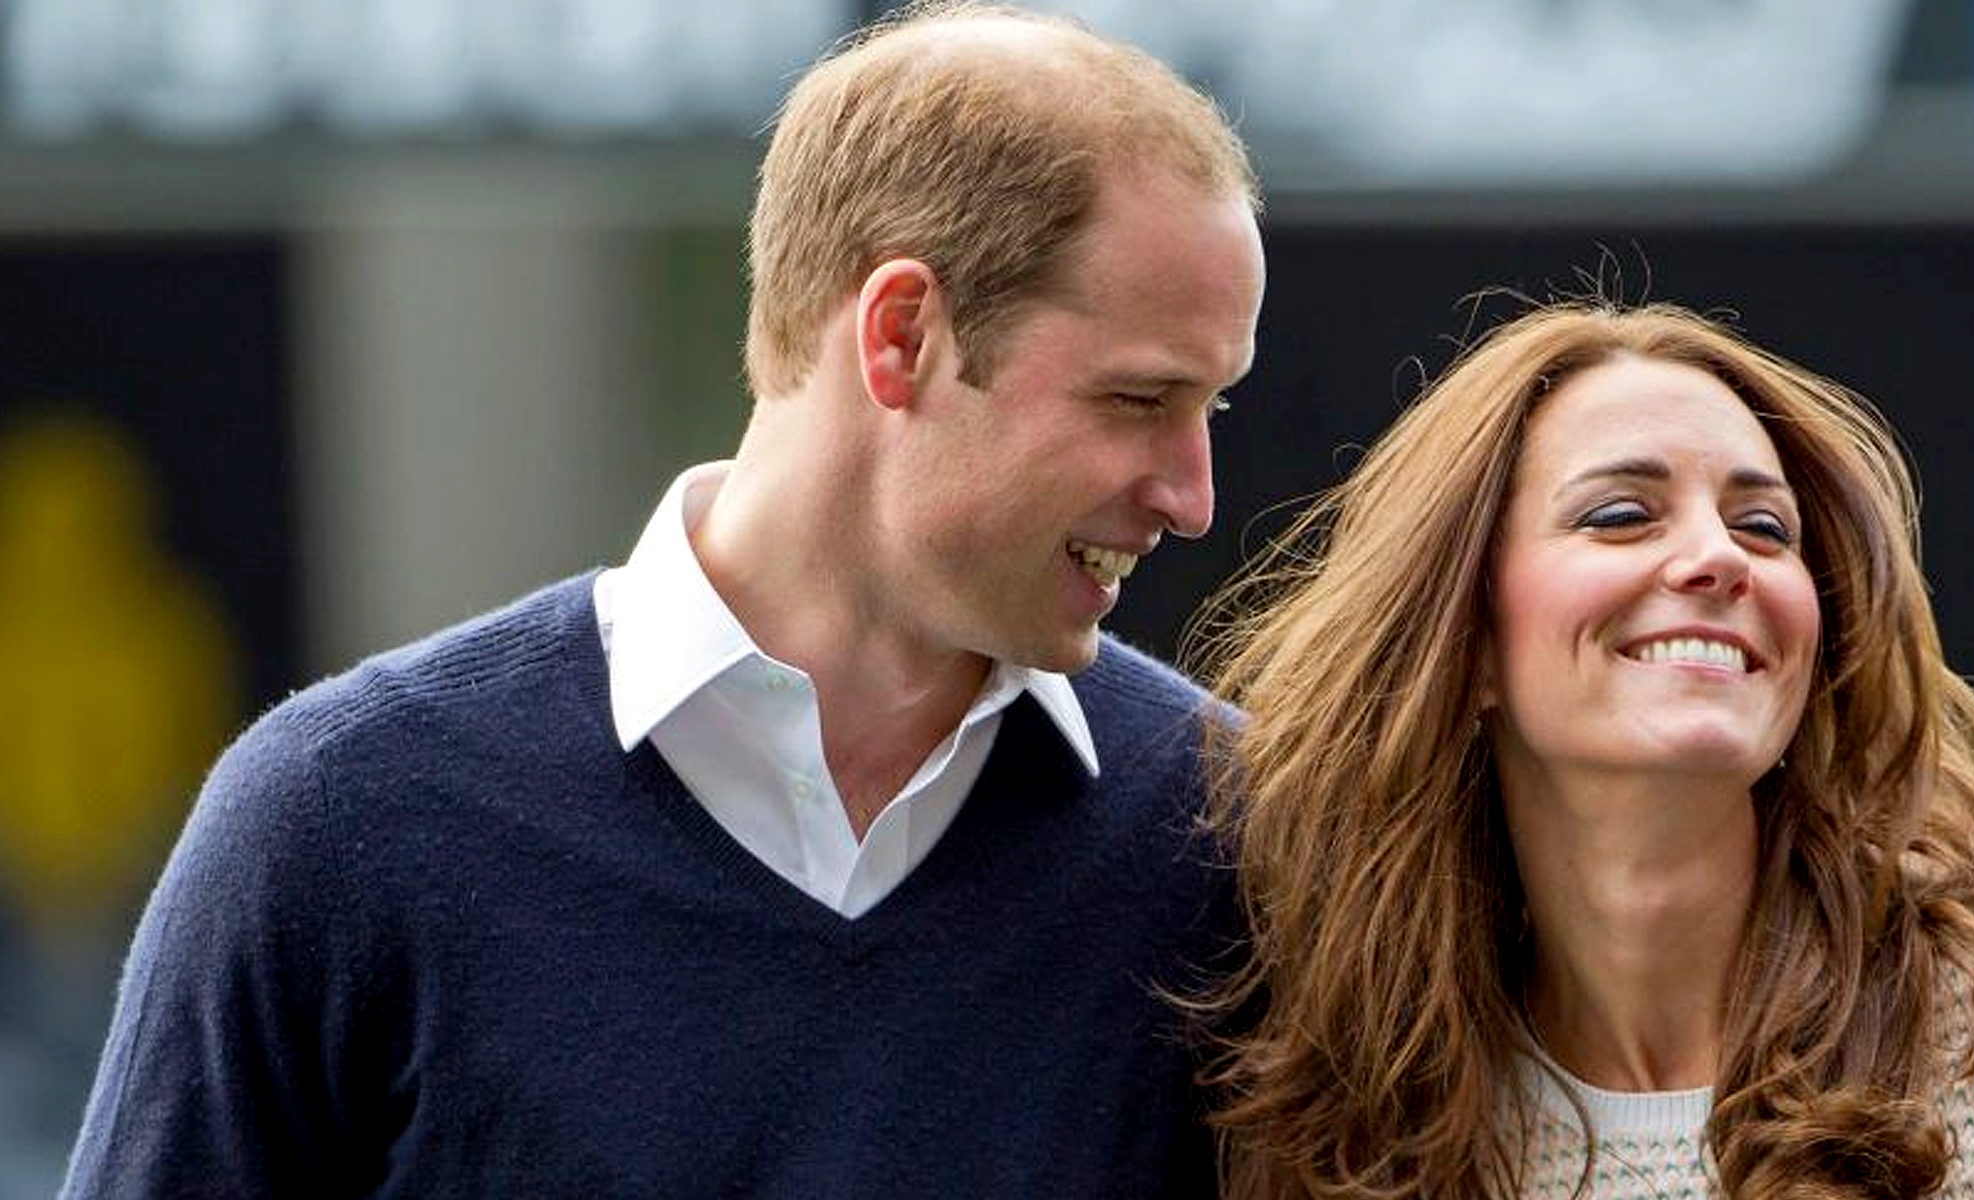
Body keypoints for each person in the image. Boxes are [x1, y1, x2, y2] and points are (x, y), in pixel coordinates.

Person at [63, 3, 1262, 1195]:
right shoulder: (338, 824)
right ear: (902, 335)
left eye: (1211, 409)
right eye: (1138, 401)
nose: (1194, 497)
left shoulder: (1238, 849)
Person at [1192, 302, 1974, 1199]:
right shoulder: (1339, 1108)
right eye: (1620, 515)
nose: (1716, 558)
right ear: (1464, 641)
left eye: (1766, 529)